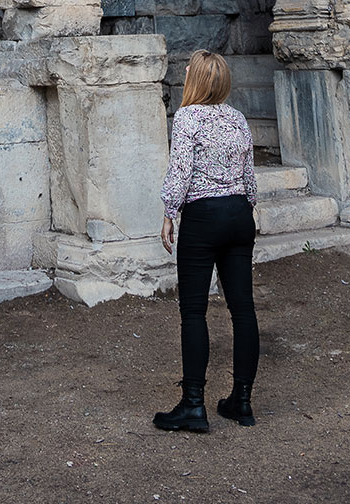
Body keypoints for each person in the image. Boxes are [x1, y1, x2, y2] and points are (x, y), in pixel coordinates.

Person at [153, 48, 260, 434]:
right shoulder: (237, 118)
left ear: (196, 80)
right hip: (238, 214)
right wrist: (248, 210)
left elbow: (181, 169)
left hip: (203, 216)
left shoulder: (187, 117)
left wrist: (169, 212)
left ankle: (193, 405)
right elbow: (249, 173)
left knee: (194, 311)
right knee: (243, 310)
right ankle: (242, 402)